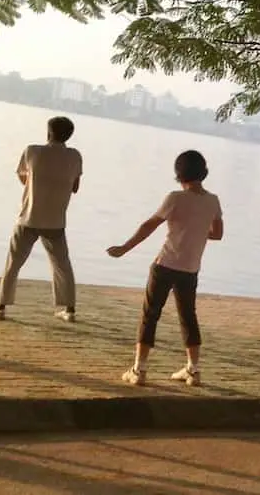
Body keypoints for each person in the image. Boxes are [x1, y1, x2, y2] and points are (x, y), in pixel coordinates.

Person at [107, 150, 223, 386]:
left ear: (179, 174)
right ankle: (193, 370)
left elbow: (149, 225)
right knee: (188, 317)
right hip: (190, 268)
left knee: (150, 315)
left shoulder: (175, 198)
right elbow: (218, 234)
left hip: (166, 264)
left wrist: (124, 248)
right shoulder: (213, 201)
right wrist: (198, 231)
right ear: (204, 172)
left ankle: (139, 370)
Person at [0, 117, 82, 323]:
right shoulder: (74, 156)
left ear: (48, 132)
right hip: (56, 220)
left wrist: (36, 183)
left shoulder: (33, 151)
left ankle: (0, 306)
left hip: (29, 217)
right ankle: (69, 310)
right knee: (62, 265)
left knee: (13, 263)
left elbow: (23, 178)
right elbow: (75, 187)